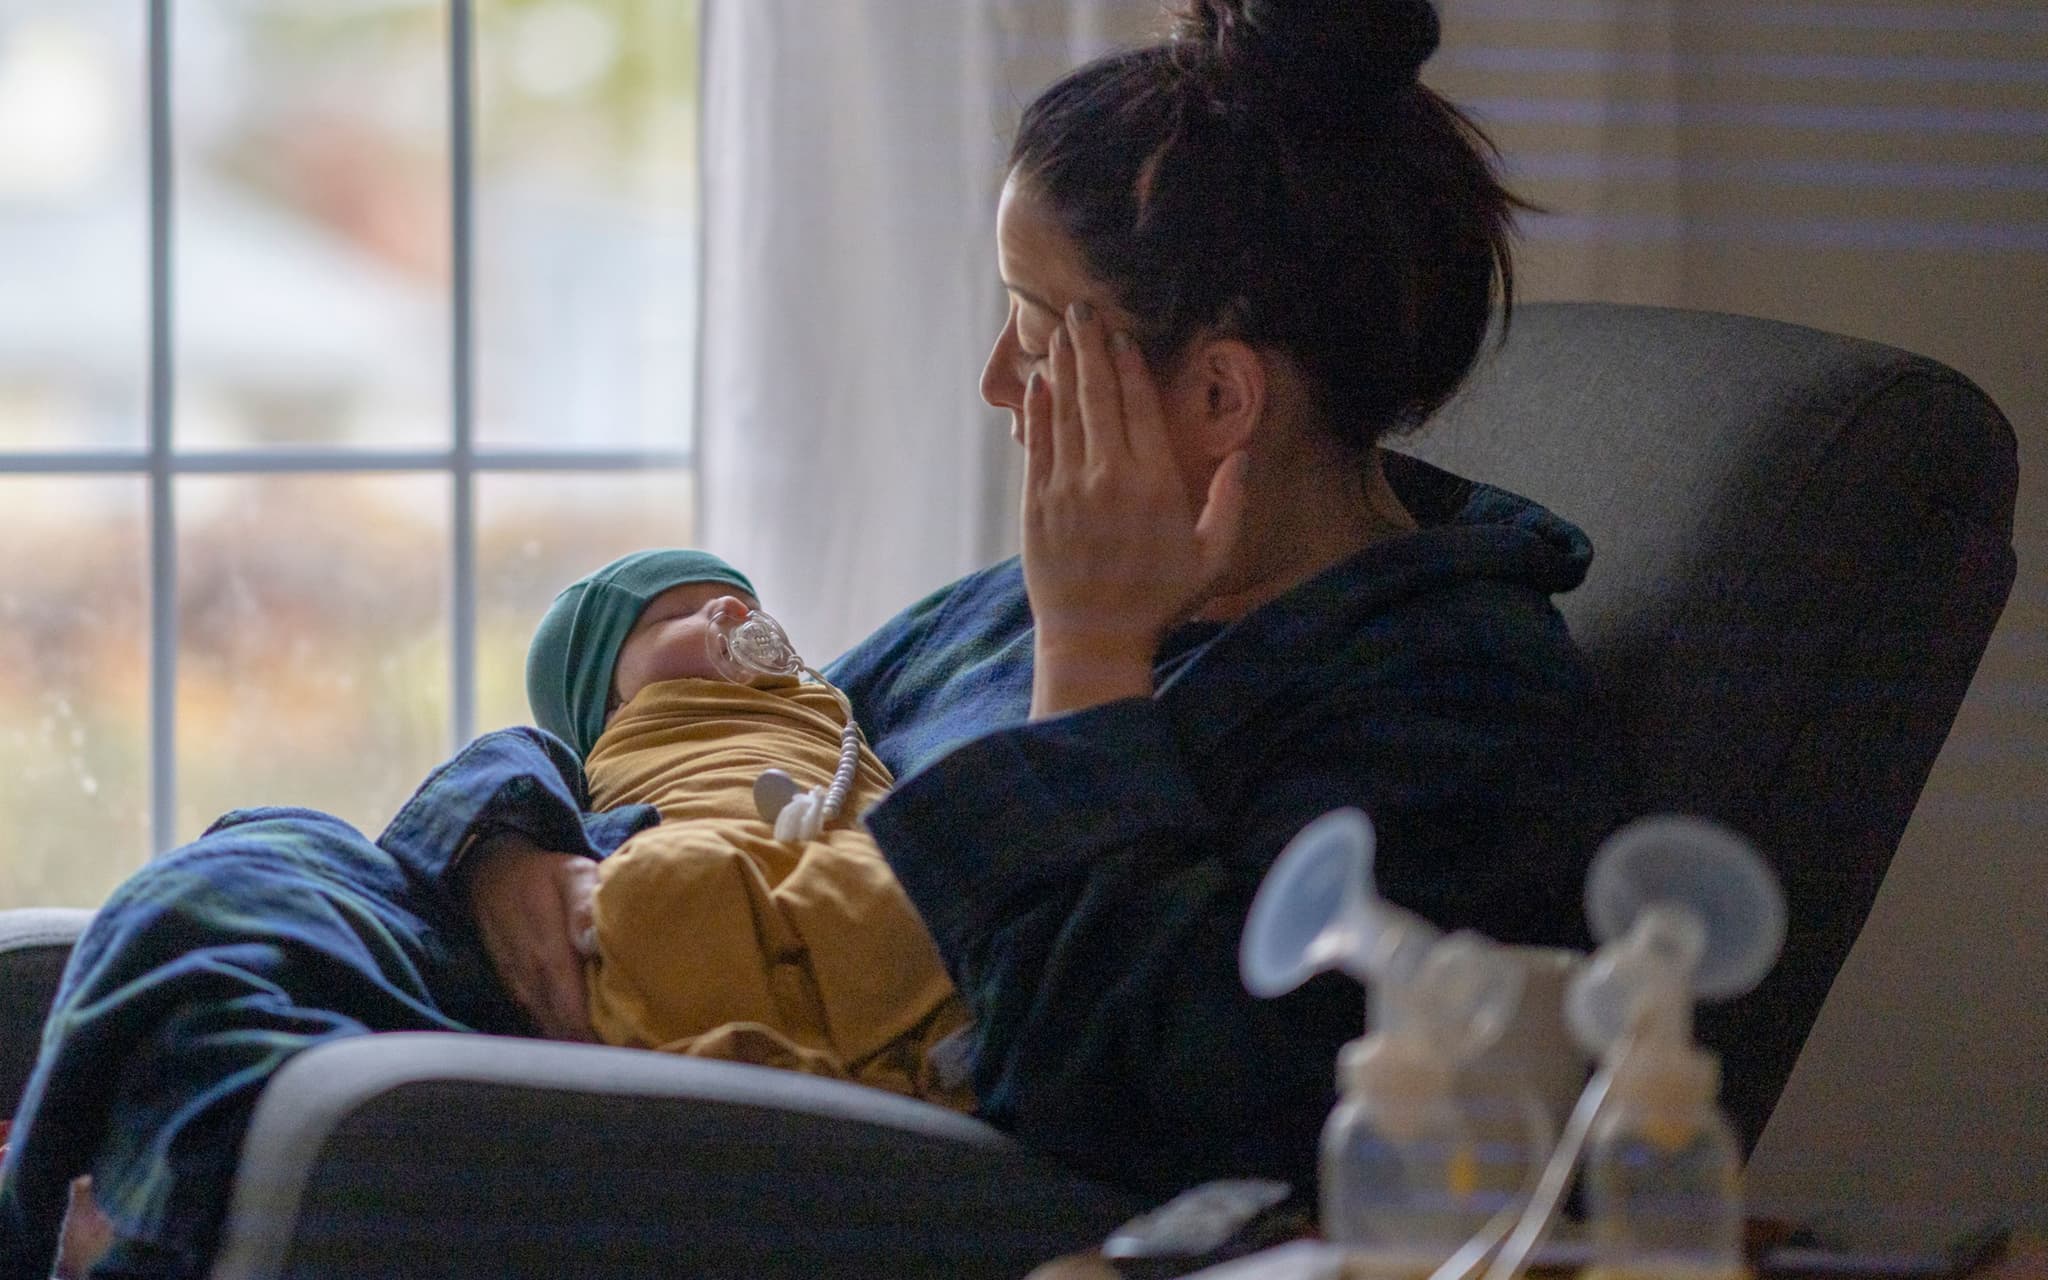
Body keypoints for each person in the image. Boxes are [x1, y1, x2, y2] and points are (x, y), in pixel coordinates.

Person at [2, 0, 1595, 1273]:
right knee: (229, 891)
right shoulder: (1023, 604)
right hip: (612, 983)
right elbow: (764, 748)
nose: (995, 380)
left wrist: (1095, 668)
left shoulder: (1444, 699)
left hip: (826, 1150)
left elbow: (1156, 1103)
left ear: (1223, 396)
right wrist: (502, 847)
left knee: (233, 1053)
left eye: (1035, 331)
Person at [523, 548, 969, 1104]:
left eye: (747, 605)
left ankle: (922, 1055)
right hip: (718, 860)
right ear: (605, 698)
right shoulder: (609, 749)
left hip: (844, 867)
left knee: (927, 886)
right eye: (678, 614)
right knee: (650, 884)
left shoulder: (826, 705)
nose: (732, 608)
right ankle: (764, 1056)